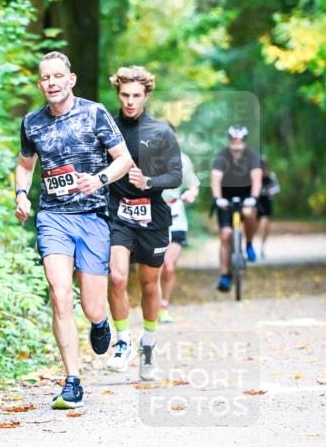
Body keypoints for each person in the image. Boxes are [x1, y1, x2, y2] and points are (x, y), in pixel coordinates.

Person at [15, 51, 132, 410]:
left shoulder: (94, 113)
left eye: (56, 77)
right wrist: (21, 194)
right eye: (44, 78)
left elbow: (124, 160)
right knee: (60, 293)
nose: (50, 83)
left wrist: (97, 180)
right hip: (53, 218)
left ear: (71, 80)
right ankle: (72, 380)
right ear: (40, 84)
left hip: (92, 217)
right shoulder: (32, 123)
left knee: (94, 306)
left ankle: (100, 323)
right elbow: (24, 165)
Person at [105, 66, 182, 381]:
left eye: (136, 95)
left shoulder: (161, 132)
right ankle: (122, 341)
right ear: (118, 93)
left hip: (152, 217)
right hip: (116, 213)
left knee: (150, 284)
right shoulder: (106, 127)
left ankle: (148, 344)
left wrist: (147, 180)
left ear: (147, 95)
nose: (130, 101)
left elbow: (175, 176)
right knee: (117, 276)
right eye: (125, 95)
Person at [210, 125, 262, 292]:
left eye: (239, 140)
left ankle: (248, 243)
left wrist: (253, 198)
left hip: (247, 196)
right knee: (226, 235)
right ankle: (224, 275)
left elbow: (257, 178)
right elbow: (215, 179)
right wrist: (218, 198)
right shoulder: (221, 155)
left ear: (244, 141)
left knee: (249, 212)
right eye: (233, 139)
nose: (236, 143)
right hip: (225, 198)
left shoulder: (252, 155)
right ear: (229, 140)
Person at [159, 133, 200, 323]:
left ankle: (163, 306)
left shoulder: (183, 160)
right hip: (153, 216)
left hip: (176, 214)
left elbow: (193, 185)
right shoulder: (146, 158)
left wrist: (191, 194)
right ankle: (152, 303)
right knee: (154, 267)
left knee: (168, 266)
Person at [257, 156, 281, 258]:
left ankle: (262, 246)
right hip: (254, 203)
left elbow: (277, 188)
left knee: (265, 224)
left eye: (263, 165)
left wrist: (272, 191)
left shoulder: (271, 176)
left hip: (266, 203)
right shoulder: (253, 177)